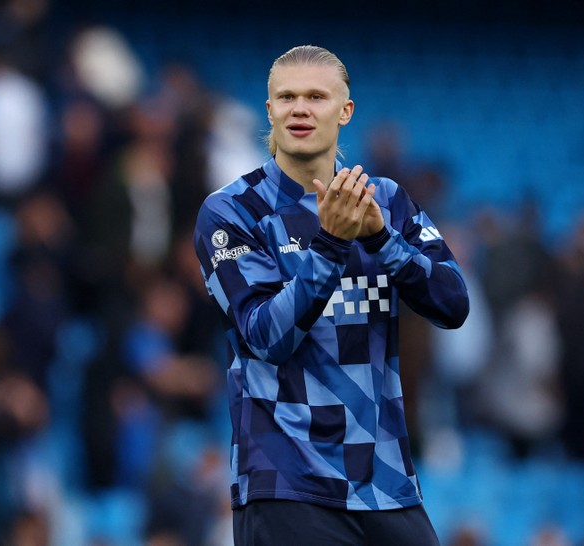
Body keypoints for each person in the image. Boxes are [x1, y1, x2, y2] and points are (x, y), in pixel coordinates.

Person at [193, 45, 469, 545]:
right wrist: (332, 243)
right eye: (287, 97)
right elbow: (265, 336)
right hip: (286, 481)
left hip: (386, 483)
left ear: (345, 111)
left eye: (316, 96)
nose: (300, 108)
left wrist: (383, 242)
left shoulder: (385, 200)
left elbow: (454, 305)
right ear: (270, 110)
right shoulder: (232, 212)